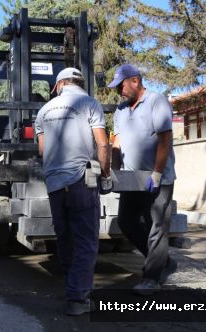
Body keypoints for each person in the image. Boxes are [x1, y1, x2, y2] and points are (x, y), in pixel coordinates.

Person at [35, 67, 110, 316]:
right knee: (86, 241)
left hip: (55, 184)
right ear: (79, 83)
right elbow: (102, 142)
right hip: (81, 181)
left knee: (64, 238)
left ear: (58, 85)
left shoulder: (44, 110)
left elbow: (43, 151)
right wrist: (106, 175)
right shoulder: (90, 103)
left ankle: (72, 286)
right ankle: (77, 298)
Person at [108, 64, 177, 295]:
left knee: (157, 226)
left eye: (121, 85)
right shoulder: (120, 110)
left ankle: (151, 279)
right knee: (126, 222)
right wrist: (114, 173)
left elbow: (164, 139)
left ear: (135, 80)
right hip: (132, 179)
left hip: (158, 178)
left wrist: (157, 173)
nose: (119, 91)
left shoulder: (157, 101)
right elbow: (116, 144)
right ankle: (163, 261)